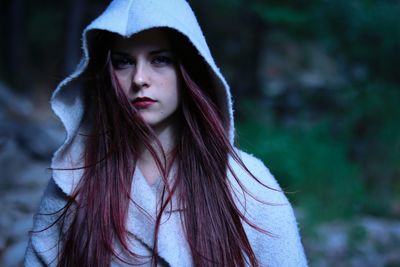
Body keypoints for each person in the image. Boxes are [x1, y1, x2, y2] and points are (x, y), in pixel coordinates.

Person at [25, 0, 308, 266]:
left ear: (190, 69)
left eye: (159, 60)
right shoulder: (73, 183)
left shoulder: (247, 184)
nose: (139, 79)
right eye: (123, 62)